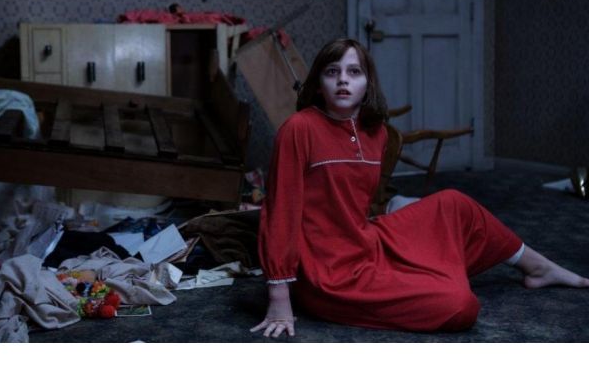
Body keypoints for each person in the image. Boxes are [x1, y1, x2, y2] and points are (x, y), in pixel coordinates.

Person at [250, 38, 589, 338]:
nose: (342, 80)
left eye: (354, 72)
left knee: (454, 204)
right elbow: (280, 211)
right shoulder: (299, 129)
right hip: (327, 273)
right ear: (318, 83)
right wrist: (279, 299)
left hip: (364, 242)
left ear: (368, 84)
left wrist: (392, 213)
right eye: (332, 71)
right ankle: (436, 275)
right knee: (459, 305)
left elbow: (352, 203)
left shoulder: (375, 132)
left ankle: (538, 266)